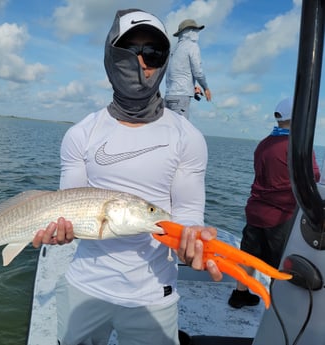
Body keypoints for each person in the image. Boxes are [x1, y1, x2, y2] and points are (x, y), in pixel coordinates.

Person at [32, 9, 222, 345]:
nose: (141, 63)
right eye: (128, 51)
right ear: (110, 57)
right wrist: (58, 231)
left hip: (154, 295)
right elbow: (70, 210)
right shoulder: (80, 134)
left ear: (164, 60)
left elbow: (188, 216)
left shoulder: (188, 137)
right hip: (84, 287)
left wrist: (191, 244)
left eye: (153, 53)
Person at [228, 97, 321, 309]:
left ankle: (239, 295)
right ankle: (277, 307)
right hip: (280, 215)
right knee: (280, 263)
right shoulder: (298, 146)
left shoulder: (263, 144)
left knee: (248, 255)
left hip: (255, 210)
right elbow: (313, 176)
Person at [164, 19, 212, 119]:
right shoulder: (192, 46)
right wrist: (205, 88)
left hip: (168, 97)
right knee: (181, 131)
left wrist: (192, 88)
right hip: (180, 99)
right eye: (195, 30)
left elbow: (174, 75)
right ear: (189, 31)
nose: (197, 33)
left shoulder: (175, 49)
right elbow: (198, 71)